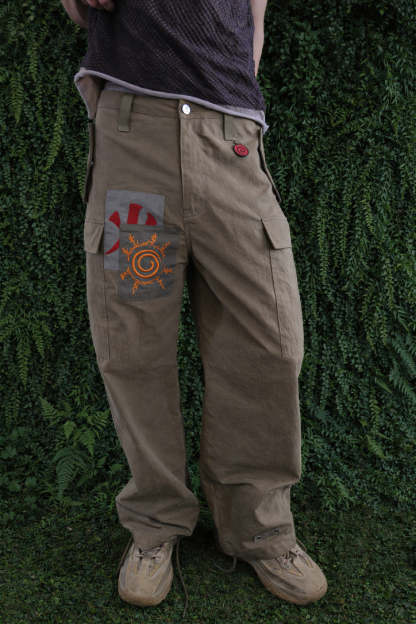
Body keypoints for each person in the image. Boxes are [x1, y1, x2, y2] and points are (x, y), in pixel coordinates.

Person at [61, 0, 328, 617]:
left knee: (270, 341)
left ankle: (260, 529)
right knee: (135, 343)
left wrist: (244, 60)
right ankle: (155, 525)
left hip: (229, 141)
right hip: (138, 146)